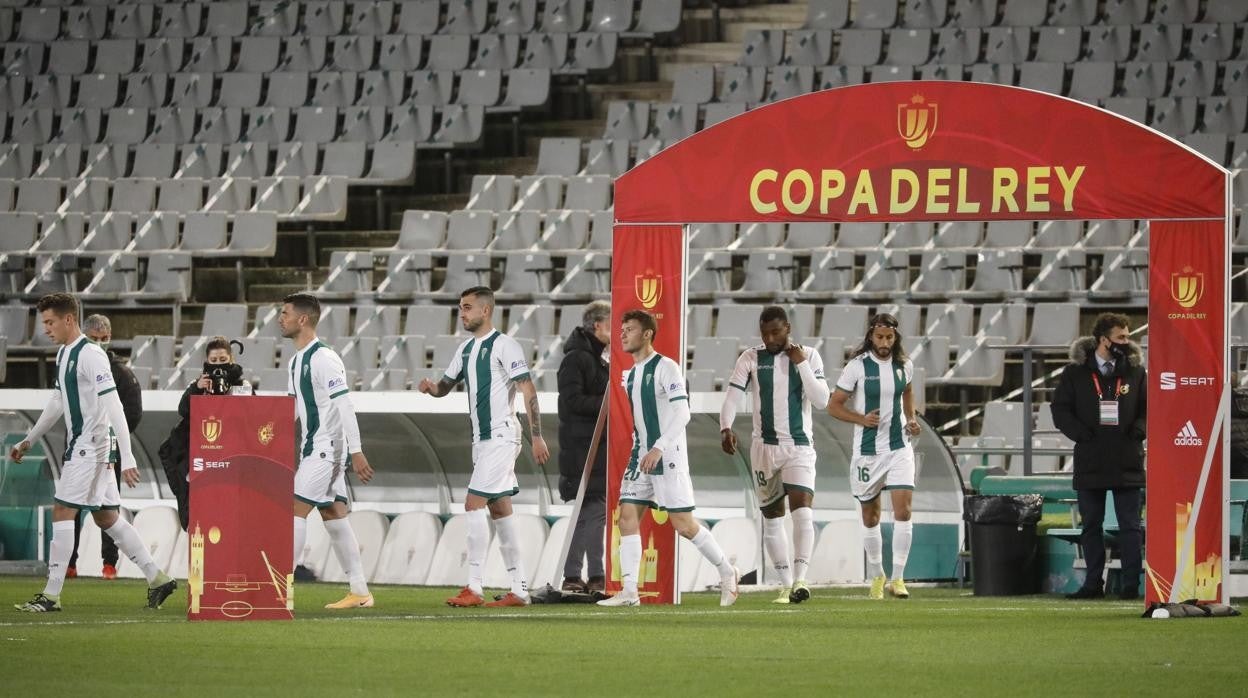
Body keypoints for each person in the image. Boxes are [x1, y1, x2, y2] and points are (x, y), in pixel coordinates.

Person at [10, 293, 176, 612]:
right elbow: (58, 401)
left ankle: (51, 595)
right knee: (107, 518)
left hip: (92, 446)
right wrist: (29, 439)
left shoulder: (92, 355)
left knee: (62, 510)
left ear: (68, 319)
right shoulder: (64, 354)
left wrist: (128, 456)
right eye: (43, 322)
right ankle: (158, 578)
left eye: (49, 322)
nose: (45, 328)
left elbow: (114, 405)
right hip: (87, 446)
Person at [598, 309, 740, 607]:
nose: (622, 334)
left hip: (668, 456)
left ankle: (727, 571)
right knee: (626, 518)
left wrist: (659, 447)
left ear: (647, 333)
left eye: (630, 329)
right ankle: (629, 592)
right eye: (621, 329)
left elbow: (682, 412)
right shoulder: (632, 372)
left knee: (683, 524)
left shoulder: (667, 368)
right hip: (641, 457)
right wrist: (643, 448)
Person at [420, 287, 551, 608]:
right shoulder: (465, 349)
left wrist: (537, 436)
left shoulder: (505, 346)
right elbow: (445, 387)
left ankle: (474, 587)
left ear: (486, 310)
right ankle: (519, 590)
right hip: (482, 440)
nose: (462, 314)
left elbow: (527, 388)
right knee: (500, 511)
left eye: (467, 308)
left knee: (472, 503)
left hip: (502, 437)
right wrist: (431, 388)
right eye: (460, 308)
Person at [720, 306, 829, 604]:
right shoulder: (751, 358)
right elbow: (732, 397)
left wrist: (802, 364)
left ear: (788, 328)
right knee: (772, 519)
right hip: (763, 449)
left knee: (802, 510)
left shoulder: (809, 355)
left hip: (799, 448)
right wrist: (725, 427)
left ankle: (801, 580)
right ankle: (785, 584)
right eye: (764, 333)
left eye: (775, 332)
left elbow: (821, 401)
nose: (769, 338)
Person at [279, 293, 378, 609]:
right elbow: (294, 408)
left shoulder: (324, 359)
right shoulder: (296, 361)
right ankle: (360, 591)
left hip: (327, 449)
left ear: (303, 319)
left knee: (295, 509)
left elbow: (344, 405)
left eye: (285, 313)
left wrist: (356, 450)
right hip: (314, 448)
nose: (280, 319)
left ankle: (282, 589)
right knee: (333, 513)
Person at [1050, 313, 1146, 601]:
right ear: (1103, 340)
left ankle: (1131, 586)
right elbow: (1060, 410)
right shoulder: (1075, 373)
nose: (1126, 343)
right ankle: (1092, 584)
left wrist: (1139, 430)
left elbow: (1148, 407)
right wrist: (1080, 433)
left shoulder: (1135, 372)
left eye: (1127, 337)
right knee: (1091, 525)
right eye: (1121, 337)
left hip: (1127, 458)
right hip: (1090, 458)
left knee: (1130, 526)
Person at [826, 313, 920, 600]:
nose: (884, 342)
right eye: (879, 337)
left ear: (896, 337)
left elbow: (907, 391)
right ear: (870, 336)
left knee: (903, 509)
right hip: (867, 452)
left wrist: (911, 419)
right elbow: (833, 406)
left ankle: (899, 578)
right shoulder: (856, 367)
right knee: (871, 516)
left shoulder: (905, 365)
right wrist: (860, 419)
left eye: (889, 337)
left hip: (898, 447)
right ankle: (878, 574)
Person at [67, 314, 143, 580]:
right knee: (71, 506)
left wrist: (116, 443)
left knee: (108, 508)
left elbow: (132, 413)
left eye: (104, 339)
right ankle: (69, 563)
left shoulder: (121, 373)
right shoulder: (72, 364)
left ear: (110, 339)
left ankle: (109, 563)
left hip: (110, 450)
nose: (98, 344)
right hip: (81, 447)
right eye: (93, 339)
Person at [157, 336, 251, 533]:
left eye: (223, 360)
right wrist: (197, 389)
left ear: (231, 359)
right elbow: (183, 410)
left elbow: (251, 416)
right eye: (214, 361)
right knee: (194, 505)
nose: (218, 365)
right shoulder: (198, 384)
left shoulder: (243, 385)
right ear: (207, 362)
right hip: (199, 456)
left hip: (229, 458)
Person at [556, 300, 611, 594]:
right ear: (598, 326)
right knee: (595, 510)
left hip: (592, 445)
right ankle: (590, 575)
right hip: (582, 448)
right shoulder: (577, 359)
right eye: (612, 324)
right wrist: (608, 404)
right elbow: (571, 402)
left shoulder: (594, 357)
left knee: (587, 511)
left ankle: (578, 575)